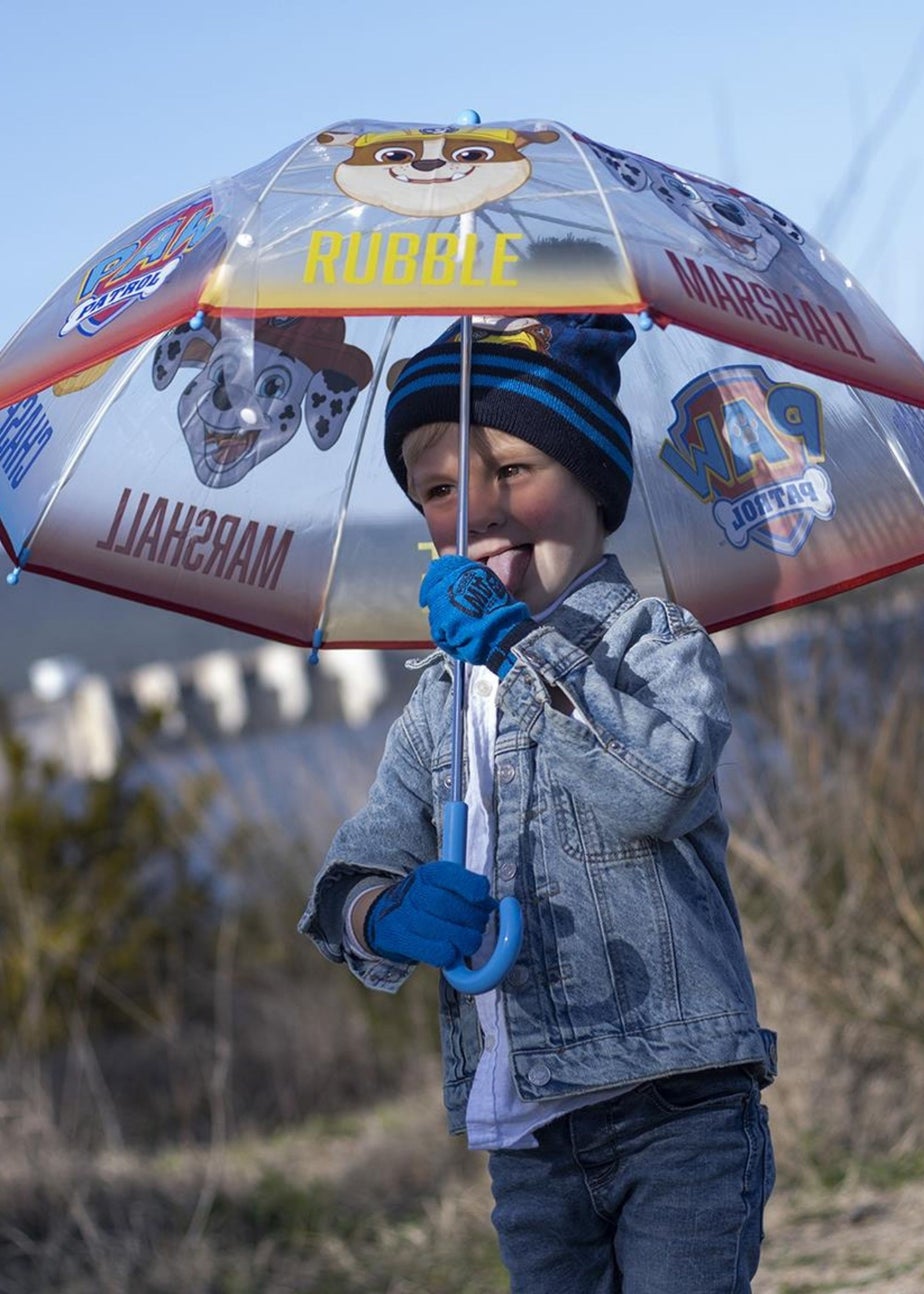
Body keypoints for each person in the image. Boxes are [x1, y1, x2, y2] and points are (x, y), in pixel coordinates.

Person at [299, 313, 777, 1293]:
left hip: (678, 1108)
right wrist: (381, 911)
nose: (480, 508)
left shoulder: (658, 641)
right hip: (527, 1131)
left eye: (513, 470)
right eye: (441, 489)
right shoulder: (439, 700)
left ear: (592, 485)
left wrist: (520, 648)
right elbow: (358, 864)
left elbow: (655, 786)